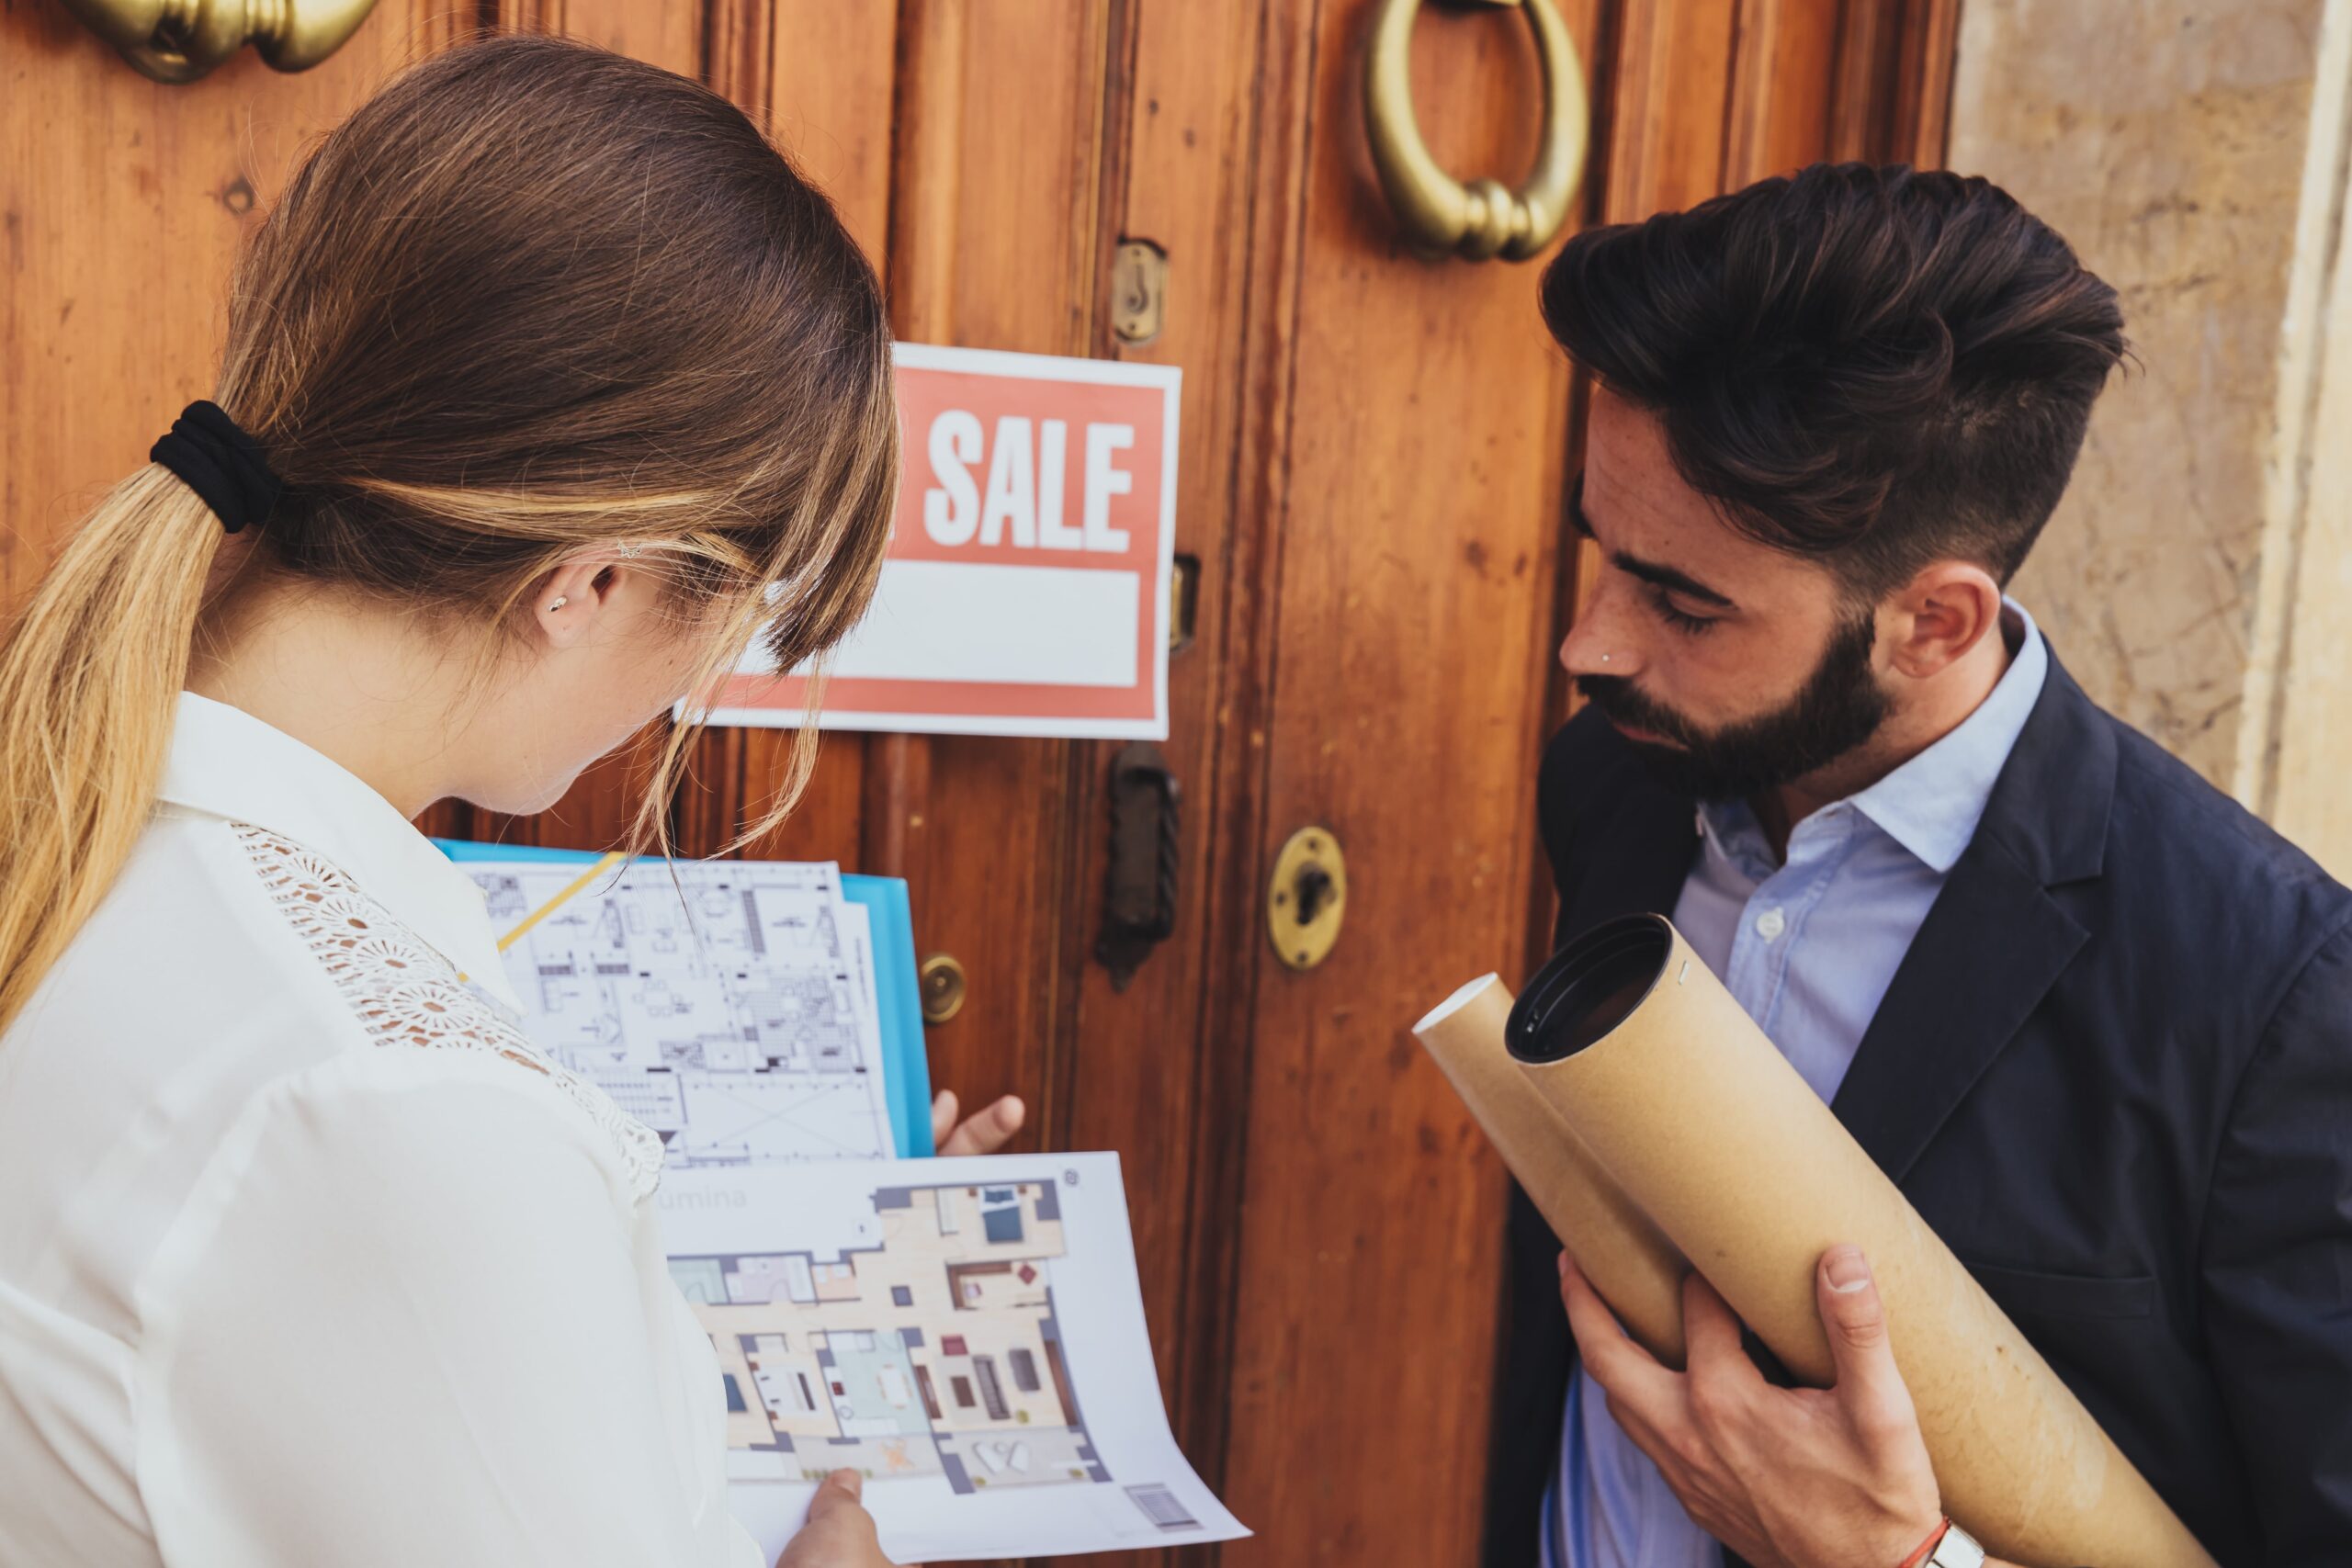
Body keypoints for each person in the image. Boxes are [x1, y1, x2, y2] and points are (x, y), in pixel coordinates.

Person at [0, 37, 1022, 1568]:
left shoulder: (90, 823)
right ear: (591, 578)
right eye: (747, 598)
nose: (715, 672)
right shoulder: (398, 1112)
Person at [1485, 164, 2352, 1568]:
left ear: (1936, 624)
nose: (1590, 647)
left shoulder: (2275, 1003)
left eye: (1685, 603)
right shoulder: (1621, 779)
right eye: (1606, 555)